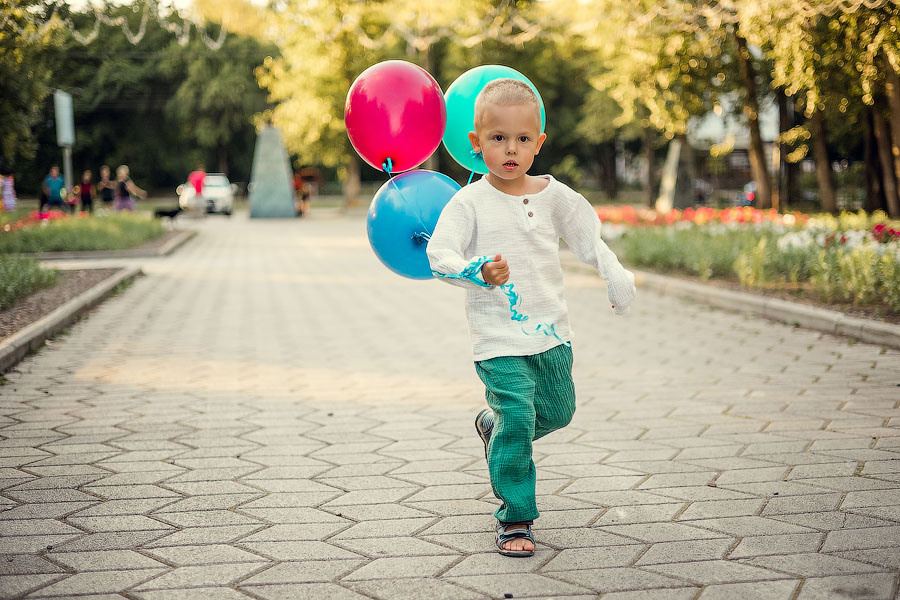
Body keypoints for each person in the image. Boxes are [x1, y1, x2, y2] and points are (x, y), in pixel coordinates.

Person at [427, 79, 636, 557]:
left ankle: (493, 427)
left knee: (558, 413)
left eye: (522, 138)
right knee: (519, 417)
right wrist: (477, 271)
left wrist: (615, 277)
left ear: (539, 143)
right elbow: (439, 254)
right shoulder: (469, 203)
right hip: (497, 340)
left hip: (551, 333)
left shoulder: (554, 196)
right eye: (498, 138)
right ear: (475, 144)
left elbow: (589, 240)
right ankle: (516, 518)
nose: (510, 149)